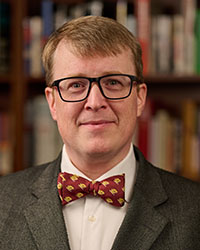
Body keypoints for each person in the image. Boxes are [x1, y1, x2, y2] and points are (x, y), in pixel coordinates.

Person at [0, 15, 200, 250]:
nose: (95, 102)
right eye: (76, 85)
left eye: (113, 82)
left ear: (139, 98)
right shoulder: (3, 202)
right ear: (52, 103)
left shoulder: (195, 210)